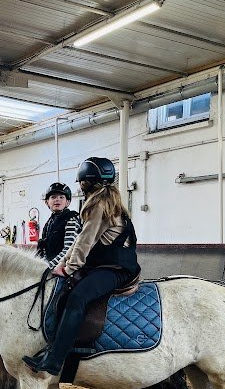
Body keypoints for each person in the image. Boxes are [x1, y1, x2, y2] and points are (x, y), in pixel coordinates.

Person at [23, 157, 140, 376]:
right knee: (66, 291)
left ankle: (56, 360)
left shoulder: (99, 204)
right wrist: (63, 266)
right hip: (104, 263)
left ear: (85, 183)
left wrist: (68, 268)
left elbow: (85, 242)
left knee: (79, 297)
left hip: (115, 268)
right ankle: (53, 346)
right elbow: (79, 241)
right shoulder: (105, 200)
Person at [36, 182, 81, 270]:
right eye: (53, 197)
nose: (57, 200)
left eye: (61, 197)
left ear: (67, 202)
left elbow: (69, 249)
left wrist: (48, 267)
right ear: (47, 202)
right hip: (50, 266)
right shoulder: (49, 222)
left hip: (64, 268)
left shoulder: (70, 219)